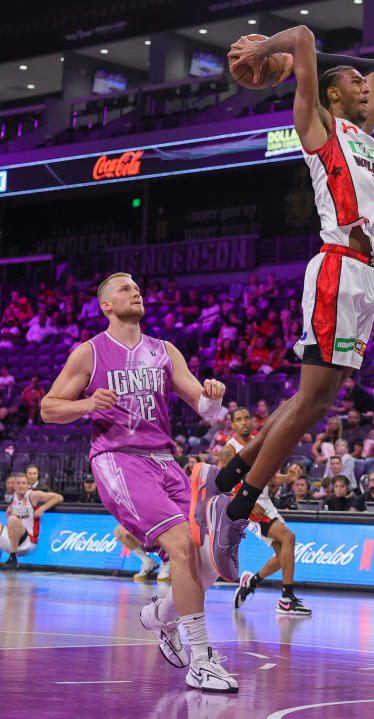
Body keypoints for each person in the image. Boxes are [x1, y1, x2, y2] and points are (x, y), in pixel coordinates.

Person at [206, 26, 374, 559]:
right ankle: (239, 508)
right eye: (355, 84)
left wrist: (329, 65)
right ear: (330, 92)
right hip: (338, 268)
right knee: (309, 401)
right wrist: (275, 55)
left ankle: (230, 477)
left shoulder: (366, 134)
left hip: (369, 277)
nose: (367, 87)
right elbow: (306, 37)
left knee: (319, 401)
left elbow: (372, 61)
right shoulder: (317, 126)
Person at [39, 272, 237, 693]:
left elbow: (205, 408)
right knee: (183, 544)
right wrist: (87, 403)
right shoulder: (89, 352)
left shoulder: (164, 351)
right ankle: (201, 660)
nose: (136, 291)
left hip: (165, 461)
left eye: (138, 288)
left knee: (210, 558)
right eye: (125, 289)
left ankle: (160, 619)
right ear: (107, 306)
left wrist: (215, 397)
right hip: (118, 459)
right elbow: (48, 408)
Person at [221, 408, 310, 616]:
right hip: (248, 506)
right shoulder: (230, 448)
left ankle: (250, 582)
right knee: (288, 538)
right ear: (232, 425)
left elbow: (270, 476)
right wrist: (245, 502)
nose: (244, 422)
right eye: (239, 420)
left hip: (265, 501)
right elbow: (222, 482)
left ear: (252, 421)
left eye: (247, 418)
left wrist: (288, 477)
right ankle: (286, 599)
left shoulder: (260, 443)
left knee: (283, 555)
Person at [0, 473, 63, 569]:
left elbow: (59, 497)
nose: (21, 485)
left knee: (13, 520)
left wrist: (43, 508)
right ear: (14, 485)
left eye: (24, 483)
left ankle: (13, 559)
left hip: (28, 542)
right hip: (16, 538)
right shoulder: (14, 496)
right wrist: (11, 507)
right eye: (18, 483)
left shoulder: (33, 495)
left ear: (28, 485)